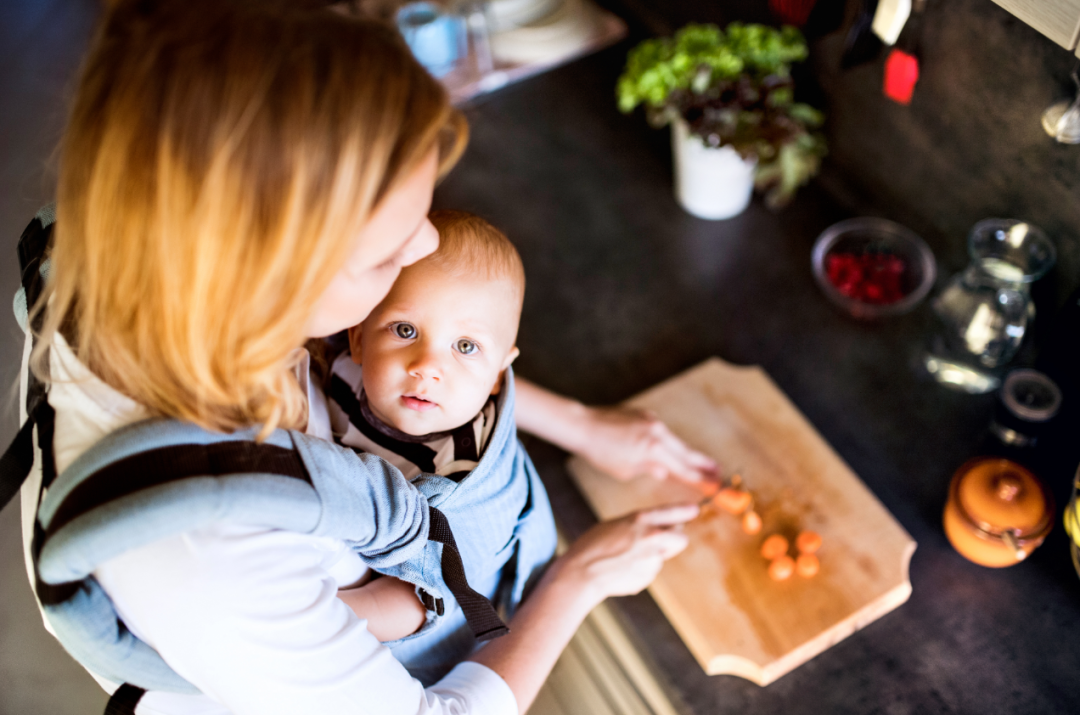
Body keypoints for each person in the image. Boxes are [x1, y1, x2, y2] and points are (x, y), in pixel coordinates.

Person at [16, 2, 714, 715]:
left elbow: (407, 359)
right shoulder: (211, 555)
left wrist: (583, 424)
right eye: (387, 254)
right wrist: (579, 577)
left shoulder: (161, 277)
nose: (422, 251)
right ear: (268, 276)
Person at [326, 210, 556, 683]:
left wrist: (321, 613)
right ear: (358, 337)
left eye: (466, 347)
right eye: (405, 330)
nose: (427, 366)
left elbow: (419, 600)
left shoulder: (456, 475)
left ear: (497, 374)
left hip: (399, 617)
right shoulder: (336, 369)